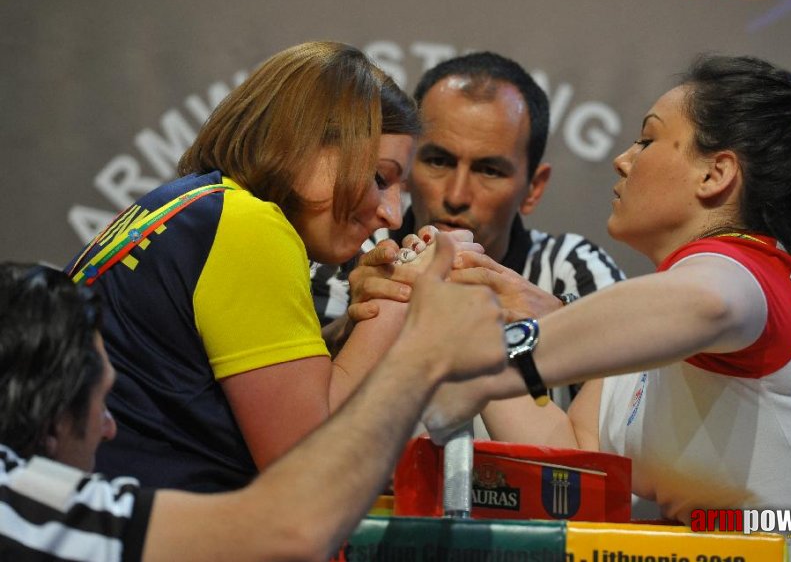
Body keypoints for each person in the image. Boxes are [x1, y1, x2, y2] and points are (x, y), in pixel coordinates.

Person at [423, 54, 791, 561]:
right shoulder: (664, 316)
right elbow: (575, 468)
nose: (623, 158)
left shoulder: (746, 268)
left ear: (716, 173)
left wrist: (490, 359)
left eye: (647, 139)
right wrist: (474, 306)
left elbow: (707, 302)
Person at [63, 41, 478, 492]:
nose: (393, 216)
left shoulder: (198, 207)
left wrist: (355, 327)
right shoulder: (251, 227)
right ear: (302, 145)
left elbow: (216, 389)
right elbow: (306, 469)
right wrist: (403, 297)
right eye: (380, 178)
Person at [0, 240, 507, 560]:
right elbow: (291, 528)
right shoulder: (24, 506)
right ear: (44, 416)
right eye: (103, 403)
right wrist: (417, 348)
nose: (111, 428)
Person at [311, 51, 623, 406]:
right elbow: (292, 405)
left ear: (533, 188)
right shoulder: (352, 252)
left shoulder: (570, 267)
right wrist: (354, 324)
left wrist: (557, 322)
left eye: (489, 170)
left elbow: (634, 405)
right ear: (407, 167)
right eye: (438, 162)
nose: (457, 196)